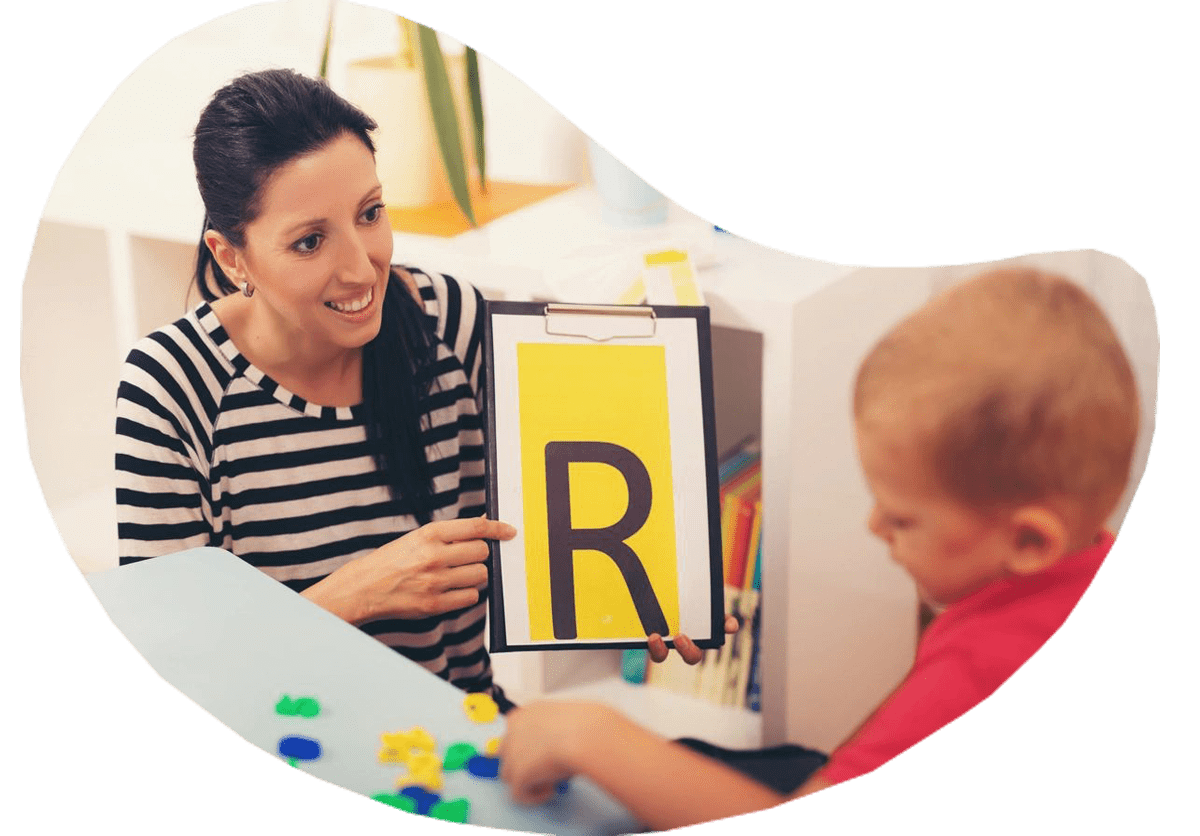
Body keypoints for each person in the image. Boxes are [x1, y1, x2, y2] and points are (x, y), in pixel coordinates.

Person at [498, 266, 1140, 829]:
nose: (872, 528)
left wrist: (590, 735)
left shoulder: (981, 666)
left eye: (904, 520)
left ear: (1029, 539)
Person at [114, 68, 518, 705]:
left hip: (459, 737)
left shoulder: (452, 322)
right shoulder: (172, 386)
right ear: (232, 258)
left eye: (370, 214)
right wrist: (354, 595)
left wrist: (645, 600)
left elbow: (546, 534)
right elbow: (167, 668)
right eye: (309, 242)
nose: (362, 268)